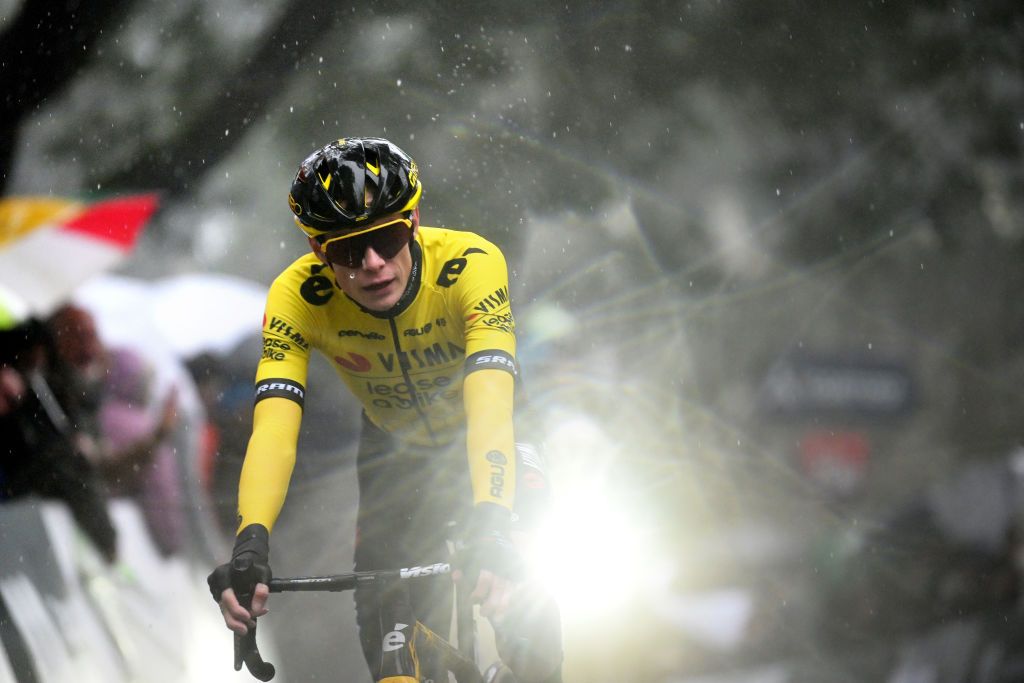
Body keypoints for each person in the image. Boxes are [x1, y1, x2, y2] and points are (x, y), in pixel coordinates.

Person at [208, 137, 562, 682]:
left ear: (415, 221)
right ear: (316, 248)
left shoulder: (471, 264)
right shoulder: (296, 297)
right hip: (396, 457)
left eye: (388, 237)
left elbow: (490, 401)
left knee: (524, 616)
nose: (373, 264)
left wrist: (494, 520)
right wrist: (250, 538)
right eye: (348, 251)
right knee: (395, 663)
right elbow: (275, 429)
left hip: (495, 438)